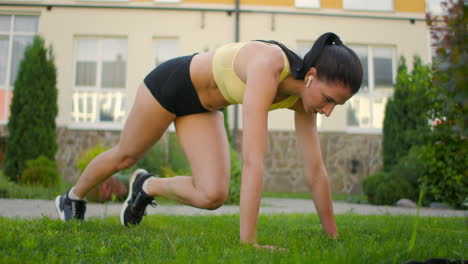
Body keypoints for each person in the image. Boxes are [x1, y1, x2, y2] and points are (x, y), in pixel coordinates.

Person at [55, 32, 362, 249]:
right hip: (170, 85)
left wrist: (332, 237)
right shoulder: (269, 65)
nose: (328, 110)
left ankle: (146, 187)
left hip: (202, 108)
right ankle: (73, 197)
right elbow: (254, 160)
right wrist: (249, 243)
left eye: (337, 105)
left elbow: (315, 170)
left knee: (213, 195)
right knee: (126, 155)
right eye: (328, 99)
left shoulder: (304, 101)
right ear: (311, 75)